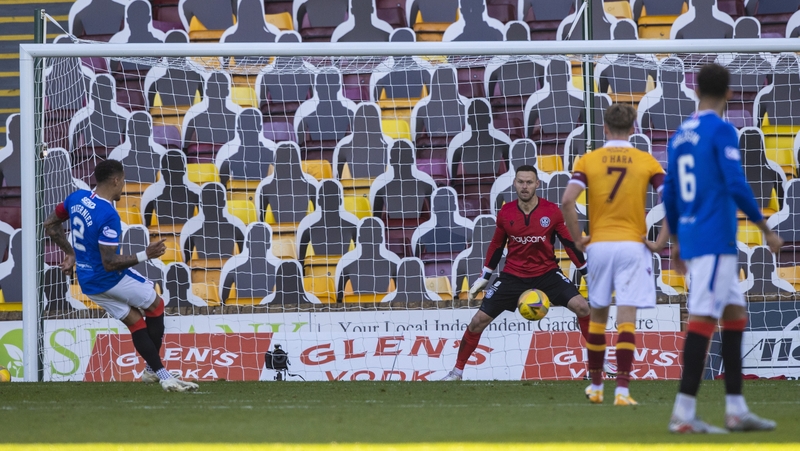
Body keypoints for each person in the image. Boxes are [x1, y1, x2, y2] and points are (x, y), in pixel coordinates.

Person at [661, 63, 780, 433]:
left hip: (698, 238)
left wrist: (677, 240)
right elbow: (736, 183)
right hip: (715, 240)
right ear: (729, 94)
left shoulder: (680, 134)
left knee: (734, 314)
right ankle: (683, 414)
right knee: (702, 320)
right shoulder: (723, 130)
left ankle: (736, 408)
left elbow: (670, 192)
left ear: (695, 91)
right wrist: (764, 227)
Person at [43, 159, 198, 392]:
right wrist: (146, 254)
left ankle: (159, 373)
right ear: (115, 180)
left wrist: (70, 253)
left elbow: (50, 223)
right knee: (156, 307)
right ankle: (154, 371)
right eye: (123, 181)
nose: (123, 186)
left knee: (136, 322)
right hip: (107, 277)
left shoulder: (76, 198)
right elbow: (109, 263)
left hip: (87, 282)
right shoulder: (108, 215)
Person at [441, 165, 601, 381]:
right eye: (520, 182)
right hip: (512, 276)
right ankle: (457, 371)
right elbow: (497, 245)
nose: (524, 186)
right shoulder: (506, 213)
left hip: (547, 273)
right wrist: (485, 277)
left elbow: (569, 243)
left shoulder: (551, 211)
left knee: (582, 307)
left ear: (537, 184)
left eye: (529, 182)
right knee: (478, 321)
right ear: (514, 183)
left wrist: (585, 273)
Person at [561, 103, 665, 406]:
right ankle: (622, 390)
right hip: (633, 245)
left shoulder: (589, 160)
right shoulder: (646, 160)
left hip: (601, 246)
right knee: (626, 317)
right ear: (633, 129)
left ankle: (595, 386)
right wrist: (659, 242)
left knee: (598, 316)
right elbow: (671, 201)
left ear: (604, 128)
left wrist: (578, 238)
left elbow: (567, 201)